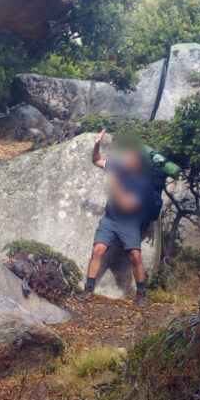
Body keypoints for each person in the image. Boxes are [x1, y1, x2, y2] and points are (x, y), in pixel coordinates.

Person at [84, 129, 151, 306]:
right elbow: (96, 160)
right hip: (110, 219)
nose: (125, 159)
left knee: (135, 256)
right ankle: (88, 290)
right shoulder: (117, 167)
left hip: (129, 222)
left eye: (129, 157)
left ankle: (141, 293)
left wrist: (114, 184)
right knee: (97, 250)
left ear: (138, 164)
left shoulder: (143, 182)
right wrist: (96, 144)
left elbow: (126, 205)